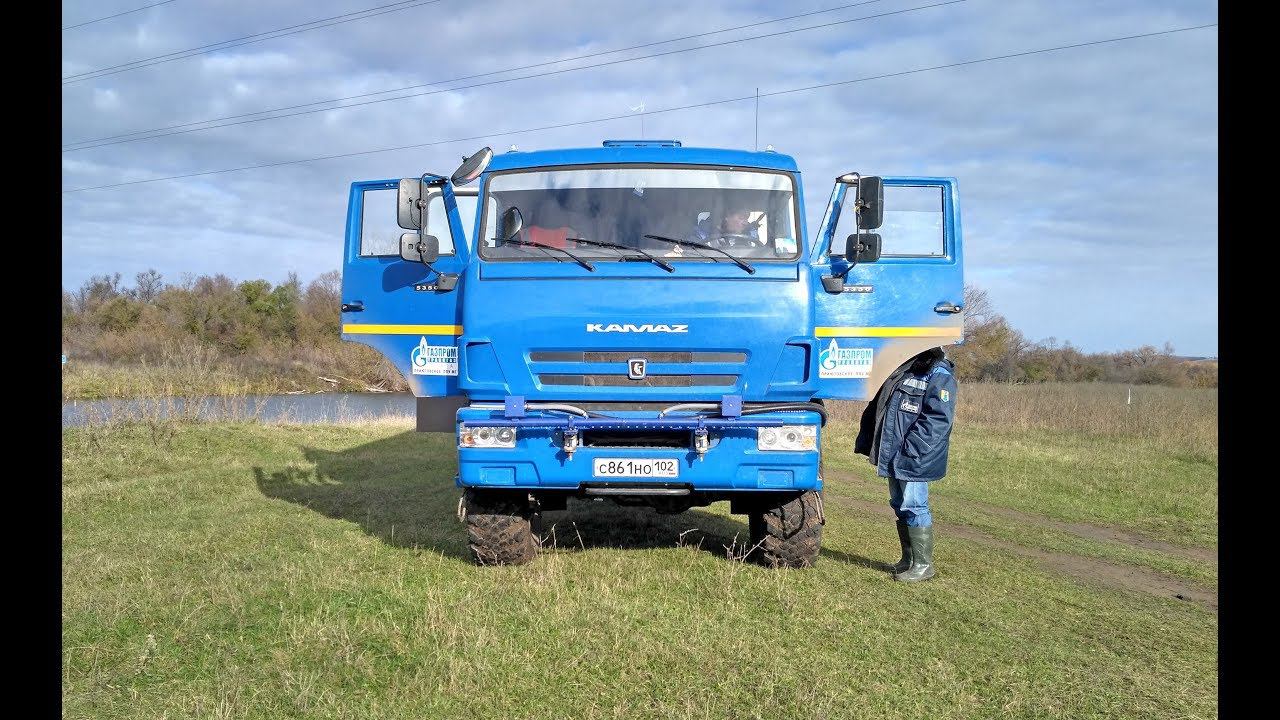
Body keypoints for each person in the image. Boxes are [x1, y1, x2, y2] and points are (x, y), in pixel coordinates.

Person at [853, 347, 957, 582]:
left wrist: (913, 447)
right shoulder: (905, 367)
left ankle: (923, 565)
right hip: (896, 452)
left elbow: (939, 419)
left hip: (914, 455)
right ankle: (908, 560)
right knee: (899, 503)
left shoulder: (938, 373)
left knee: (915, 505)